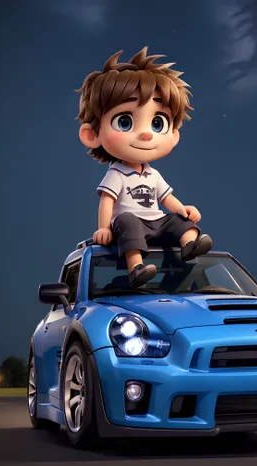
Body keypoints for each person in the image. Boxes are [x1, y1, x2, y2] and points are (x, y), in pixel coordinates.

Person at [77, 47, 212, 288]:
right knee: (128, 221)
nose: (147, 134)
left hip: (157, 223)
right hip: (130, 224)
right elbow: (107, 201)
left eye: (158, 123)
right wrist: (103, 229)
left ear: (174, 135)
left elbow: (166, 198)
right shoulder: (116, 173)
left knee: (177, 220)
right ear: (92, 134)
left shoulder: (153, 174)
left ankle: (190, 244)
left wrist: (184, 210)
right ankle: (136, 267)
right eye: (125, 121)